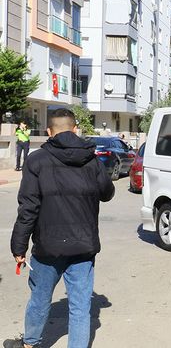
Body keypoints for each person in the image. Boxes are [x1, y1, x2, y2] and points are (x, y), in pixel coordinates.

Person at [4, 108, 115, 348]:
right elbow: (107, 193)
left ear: (48, 132)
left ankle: (30, 343)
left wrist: (19, 246)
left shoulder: (36, 160)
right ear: (75, 129)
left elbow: (28, 207)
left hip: (48, 247)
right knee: (80, 308)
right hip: (84, 246)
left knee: (40, 299)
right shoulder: (92, 159)